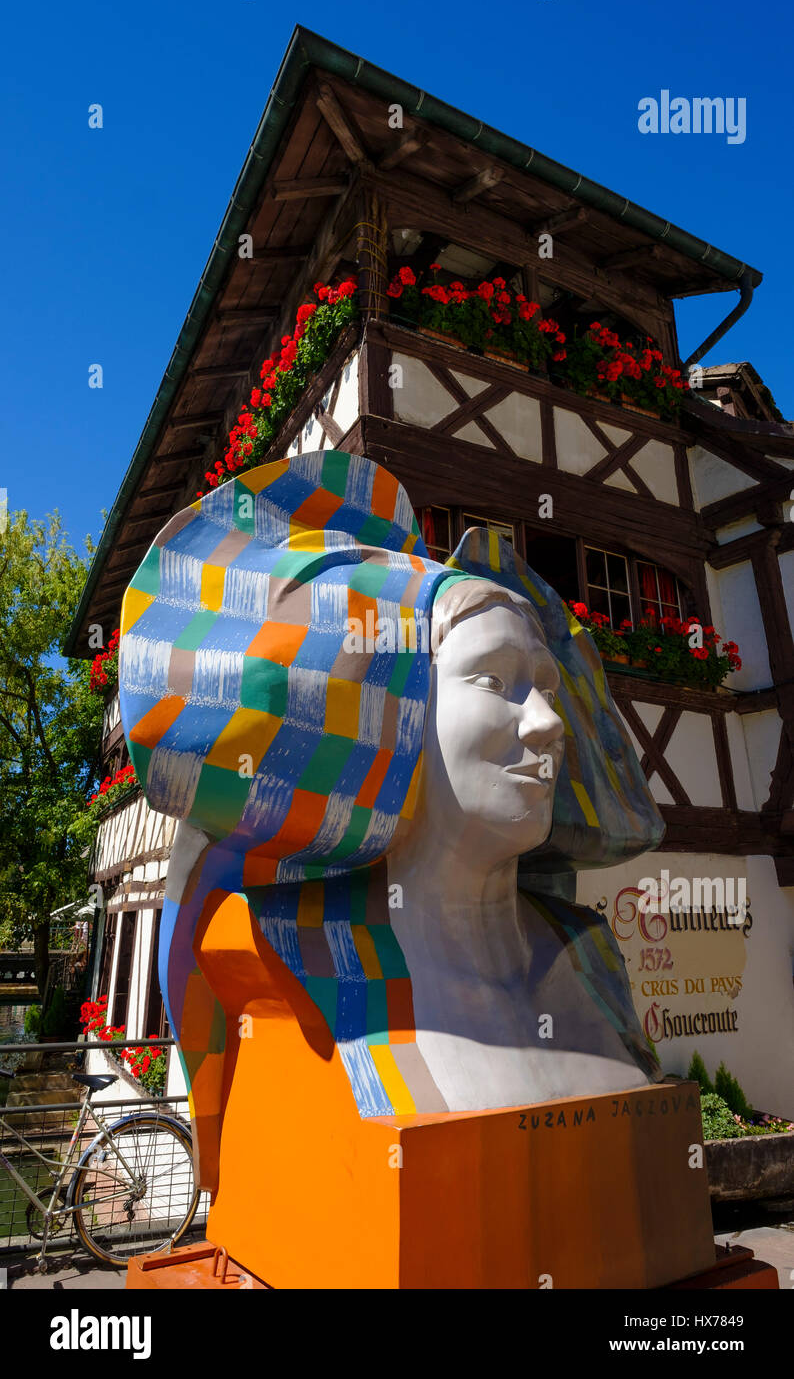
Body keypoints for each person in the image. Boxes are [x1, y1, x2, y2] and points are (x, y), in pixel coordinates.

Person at [119, 448, 663, 1188]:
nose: (545, 723)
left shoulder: (588, 949)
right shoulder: (283, 949)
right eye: (497, 681)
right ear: (402, 708)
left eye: (545, 687)